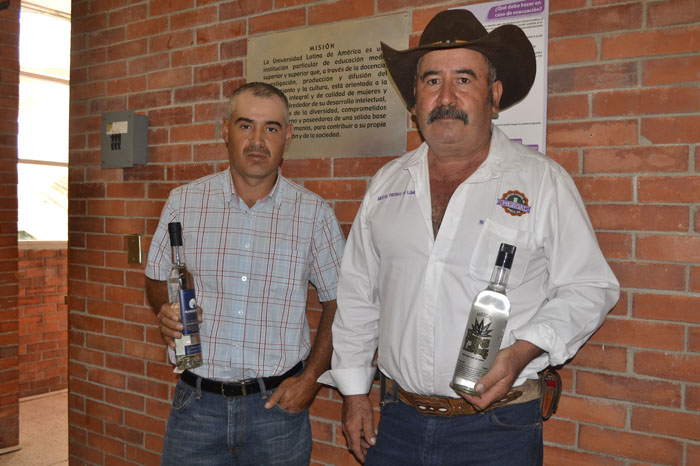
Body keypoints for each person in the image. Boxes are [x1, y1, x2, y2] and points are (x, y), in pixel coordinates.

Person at [318, 9, 619, 466]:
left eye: (463, 79)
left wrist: (521, 352)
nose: (446, 97)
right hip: (396, 423)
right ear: (415, 101)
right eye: (431, 81)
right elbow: (359, 294)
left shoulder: (541, 182)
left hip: (497, 430)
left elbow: (589, 287)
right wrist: (355, 392)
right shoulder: (385, 185)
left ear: (493, 96)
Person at [145, 82, 345, 465]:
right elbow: (156, 276)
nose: (257, 140)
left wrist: (311, 380)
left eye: (271, 128)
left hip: (277, 412)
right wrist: (165, 310)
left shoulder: (313, 214)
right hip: (197, 407)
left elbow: (341, 301)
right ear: (225, 130)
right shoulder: (183, 203)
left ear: (288, 136)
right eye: (245, 125)